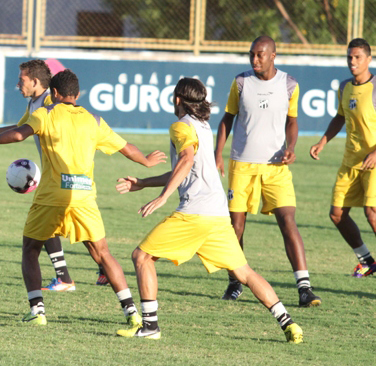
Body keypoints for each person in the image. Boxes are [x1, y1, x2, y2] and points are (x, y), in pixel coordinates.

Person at [0, 69, 165, 326]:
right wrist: (147, 161)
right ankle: (132, 313)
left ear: (55, 94)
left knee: (30, 250)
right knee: (103, 254)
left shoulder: (45, 113)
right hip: (83, 197)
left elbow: (19, 134)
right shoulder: (93, 120)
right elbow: (126, 148)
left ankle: (37, 310)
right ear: (77, 94)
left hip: (51, 196)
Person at [115, 78, 303, 343]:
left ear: (178, 99)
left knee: (141, 257)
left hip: (194, 213)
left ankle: (150, 326)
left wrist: (162, 197)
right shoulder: (202, 126)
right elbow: (185, 169)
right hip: (217, 215)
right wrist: (144, 183)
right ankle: (289, 324)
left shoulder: (180, 126)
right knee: (244, 273)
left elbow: (186, 160)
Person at [214, 36, 320, 307]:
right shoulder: (240, 83)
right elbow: (227, 119)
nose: (255, 59)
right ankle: (235, 282)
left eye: (260, 55)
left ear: (273, 55)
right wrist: (218, 154)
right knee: (235, 227)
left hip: (276, 167)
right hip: (242, 165)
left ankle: (304, 288)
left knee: (288, 221)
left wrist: (292, 147)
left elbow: (293, 121)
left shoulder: (289, 84)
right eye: (251, 55)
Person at [0, 59, 98, 292]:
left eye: (22, 79)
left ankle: (95, 270)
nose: (18, 84)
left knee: (70, 229)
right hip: (55, 174)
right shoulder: (34, 103)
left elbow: (21, 133)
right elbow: (18, 128)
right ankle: (68, 276)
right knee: (55, 226)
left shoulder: (49, 102)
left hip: (64, 174)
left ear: (37, 81)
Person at [310, 38, 376, 278]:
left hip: (374, 162)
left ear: (369, 59)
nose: (352, 61)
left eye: (358, 57)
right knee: (337, 213)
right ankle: (367, 260)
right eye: (349, 57)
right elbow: (339, 117)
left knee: (372, 212)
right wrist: (322, 141)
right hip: (350, 161)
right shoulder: (344, 86)